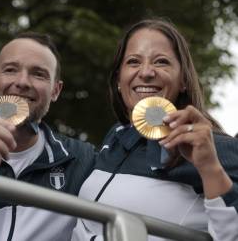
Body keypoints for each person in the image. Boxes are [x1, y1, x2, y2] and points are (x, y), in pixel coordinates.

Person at [72, 19, 238, 241]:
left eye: (161, 62)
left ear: (183, 81)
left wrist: (209, 167)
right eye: (133, 61)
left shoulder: (219, 149)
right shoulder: (116, 137)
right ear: (119, 81)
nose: (146, 72)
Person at [0, 32, 96, 241]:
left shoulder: (83, 161)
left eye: (38, 74)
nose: (22, 82)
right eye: (11, 70)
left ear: (56, 90)